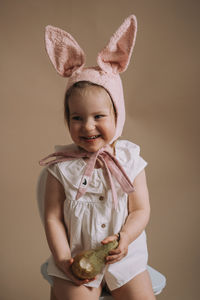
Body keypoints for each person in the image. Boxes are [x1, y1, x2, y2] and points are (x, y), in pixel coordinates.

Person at [40, 15, 156, 300]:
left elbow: (140, 210)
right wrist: (64, 258)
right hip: (75, 259)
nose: (88, 126)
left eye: (99, 116)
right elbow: (53, 217)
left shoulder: (130, 159)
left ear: (118, 116)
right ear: (67, 119)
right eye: (77, 117)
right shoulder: (60, 167)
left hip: (123, 259)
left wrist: (125, 239)